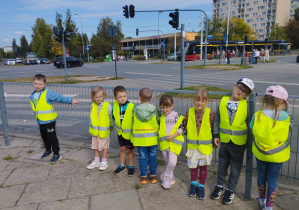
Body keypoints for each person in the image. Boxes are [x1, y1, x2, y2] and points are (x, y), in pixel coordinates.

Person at [210, 78, 255, 204]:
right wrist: (216, 134)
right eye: (239, 88)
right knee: (222, 164)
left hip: (239, 143)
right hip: (224, 140)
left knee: (235, 168)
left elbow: (249, 123)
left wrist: (248, 142)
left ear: (247, 95)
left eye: (244, 92)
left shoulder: (246, 105)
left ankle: (230, 189)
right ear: (234, 86)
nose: (240, 92)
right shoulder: (223, 101)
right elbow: (217, 119)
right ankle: (219, 186)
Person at [250, 85, 292, 210]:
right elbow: (289, 127)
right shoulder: (285, 117)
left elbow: (252, 128)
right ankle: (269, 206)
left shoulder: (257, 115)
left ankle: (262, 200)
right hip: (277, 156)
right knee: (273, 179)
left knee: (261, 176)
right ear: (280, 102)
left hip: (261, 153)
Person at [30, 74, 78, 164]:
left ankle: (56, 154)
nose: (37, 86)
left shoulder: (47, 93)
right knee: (44, 137)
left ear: (44, 84)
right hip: (40, 121)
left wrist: (71, 100)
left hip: (49, 121)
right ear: (33, 83)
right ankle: (48, 150)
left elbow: (59, 98)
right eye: (36, 83)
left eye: (40, 84)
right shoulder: (32, 95)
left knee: (52, 138)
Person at [184, 88, 215, 199]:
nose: (199, 103)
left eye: (203, 101)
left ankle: (201, 186)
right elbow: (184, 125)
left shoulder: (210, 113)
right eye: (197, 100)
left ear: (206, 102)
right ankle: (193, 184)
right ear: (194, 100)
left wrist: (216, 139)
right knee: (193, 167)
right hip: (192, 147)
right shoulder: (189, 112)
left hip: (205, 147)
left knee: (203, 167)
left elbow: (213, 129)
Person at [131, 88, 160, 184]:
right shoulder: (154, 110)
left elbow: (132, 123)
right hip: (152, 139)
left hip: (140, 140)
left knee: (142, 157)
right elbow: (159, 121)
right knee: (152, 156)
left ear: (139, 98)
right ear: (151, 97)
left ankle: (143, 177)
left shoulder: (135, 110)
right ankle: (153, 176)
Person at [158, 95, 184, 189]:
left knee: (172, 162)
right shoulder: (161, 117)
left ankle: (165, 175)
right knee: (168, 162)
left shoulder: (176, 116)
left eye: (167, 107)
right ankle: (170, 178)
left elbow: (182, 128)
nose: (165, 110)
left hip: (174, 143)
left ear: (172, 106)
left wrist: (173, 136)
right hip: (164, 144)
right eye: (162, 107)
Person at [87, 86, 113, 170]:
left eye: (100, 97)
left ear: (104, 96)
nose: (98, 99)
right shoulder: (92, 105)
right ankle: (96, 160)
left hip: (104, 131)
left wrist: (111, 125)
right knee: (95, 146)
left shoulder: (107, 105)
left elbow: (111, 117)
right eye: (96, 97)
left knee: (104, 146)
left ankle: (104, 161)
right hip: (95, 131)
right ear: (93, 97)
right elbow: (91, 117)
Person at [112, 86, 135, 176]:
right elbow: (114, 117)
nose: (122, 98)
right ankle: (122, 165)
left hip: (129, 134)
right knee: (122, 149)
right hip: (120, 133)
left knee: (129, 150)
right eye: (120, 97)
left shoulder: (131, 106)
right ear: (115, 98)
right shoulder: (115, 106)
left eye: (124, 96)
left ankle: (131, 166)